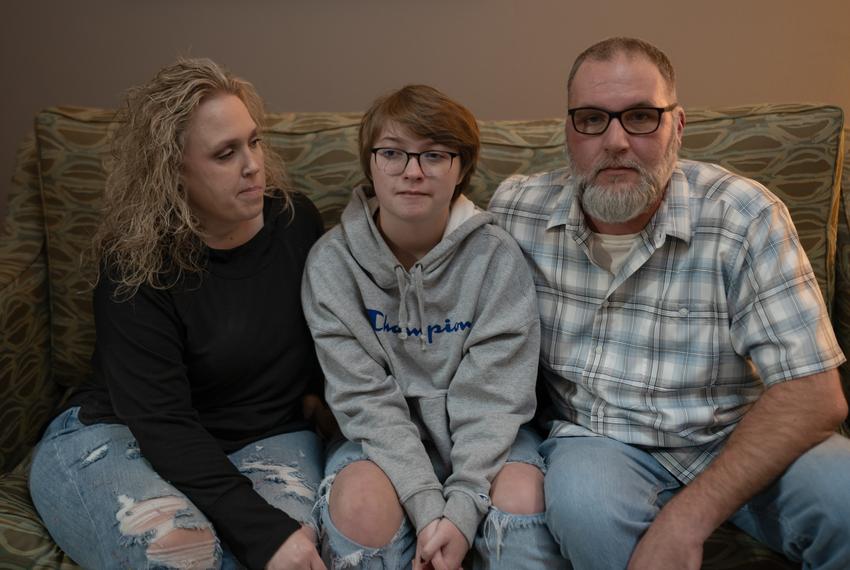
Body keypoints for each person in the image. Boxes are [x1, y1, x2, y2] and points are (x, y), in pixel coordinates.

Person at [489, 37, 850, 570]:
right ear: (568, 131)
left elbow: (814, 396)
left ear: (677, 127)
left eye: (640, 117)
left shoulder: (743, 215)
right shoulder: (516, 211)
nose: (615, 141)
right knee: (582, 503)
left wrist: (688, 518)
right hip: (600, 440)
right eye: (591, 119)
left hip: (738, 433)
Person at [29, 58, 330, 570]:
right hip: (121, 433)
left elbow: (332, 345)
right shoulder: (137, 262)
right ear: (174, 173)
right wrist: (260, 532)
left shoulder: (296, 222)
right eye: (225, 153)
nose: (252, 165)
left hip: (266, 439)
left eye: (253, 142)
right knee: (181, 555)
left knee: (290, 553)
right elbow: (159, 419)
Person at [301, 84, 561, 570]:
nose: (412, 172)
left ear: (461, 168)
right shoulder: (332, 264)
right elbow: (365, 400)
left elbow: (495, 398)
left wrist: (461, 510)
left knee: (525, 498)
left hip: (488, 439)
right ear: (370, 164)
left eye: (434, 156)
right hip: (378, 441)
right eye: (393, 154)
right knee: (359, 504)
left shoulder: (496, 258)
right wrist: (426, 507)